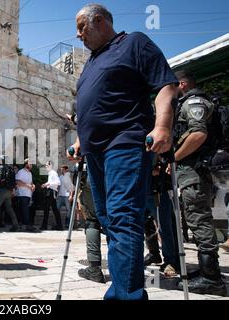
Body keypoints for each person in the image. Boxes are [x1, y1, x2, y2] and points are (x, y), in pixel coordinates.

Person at [69, 4, 177, 300]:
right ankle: (120, 289)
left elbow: (167, 85)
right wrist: (80, 140)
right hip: (95, 152)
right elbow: (92, 105)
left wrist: (163, 126)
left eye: (81, 27)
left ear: (100, 21)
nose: (78, 35)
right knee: (107, 219)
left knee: (122, 218)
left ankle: (127, 296)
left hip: (125, 142)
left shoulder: (134, 42)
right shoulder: (92, 61)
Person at [173, 71, 226, 296]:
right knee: (197, 218)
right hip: (193, 170)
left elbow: (197, 134)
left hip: (194, 169)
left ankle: (211, 278)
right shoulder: (189, 102)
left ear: (182, 84)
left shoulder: (194, 102)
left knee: (198, 218)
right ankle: (207, 271)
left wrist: (174, 158)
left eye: (174, 85)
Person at [0, 156, 20, 232]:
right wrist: (12, 191)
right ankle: (16, 225)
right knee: (9, 208)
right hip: (9, 191)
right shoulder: (11, 169)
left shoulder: (1, 168)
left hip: (1, 190)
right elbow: (13, 181)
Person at [15, 159, 36, 232]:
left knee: (25, 211)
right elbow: (17, 181)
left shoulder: (30, 173)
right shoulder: (21, 172)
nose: (31, 165)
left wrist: (33, 186)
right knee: (24, 211)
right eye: (30, 164)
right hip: (22, 194)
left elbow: (31, 182)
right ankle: (27, 226)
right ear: (26, 164)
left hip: (28, 195)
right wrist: (28, 185)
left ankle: (22, 225)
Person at [40, 161, 62, 230]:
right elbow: (51, 182)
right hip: (52, 192)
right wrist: (46, 184)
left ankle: (44, 226)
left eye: (47, 165)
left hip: (51, 192)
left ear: (50, 165)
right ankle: (59, 225)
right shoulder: (51, 173)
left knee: (46, 209)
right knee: (55, 209)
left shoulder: (53, 173)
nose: (45, 166)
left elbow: (58, 182)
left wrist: (48, 184)